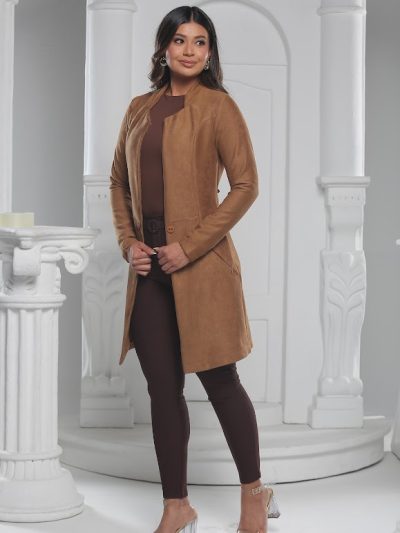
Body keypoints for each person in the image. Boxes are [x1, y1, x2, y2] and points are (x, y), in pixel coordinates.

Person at [109, 5, 278, 533]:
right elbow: (118, 183)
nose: (189, 50)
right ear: (164, 48)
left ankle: (254, 492)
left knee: (221, 381)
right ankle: (176, 504)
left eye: (200, 41)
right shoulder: (139, 109)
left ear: (210, 53)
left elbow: (246, 185)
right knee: (163, 390)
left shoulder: (218, 107)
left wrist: (191, 245)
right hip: (148, 271)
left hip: (201, 268)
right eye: (179, 40)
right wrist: (128, 243)